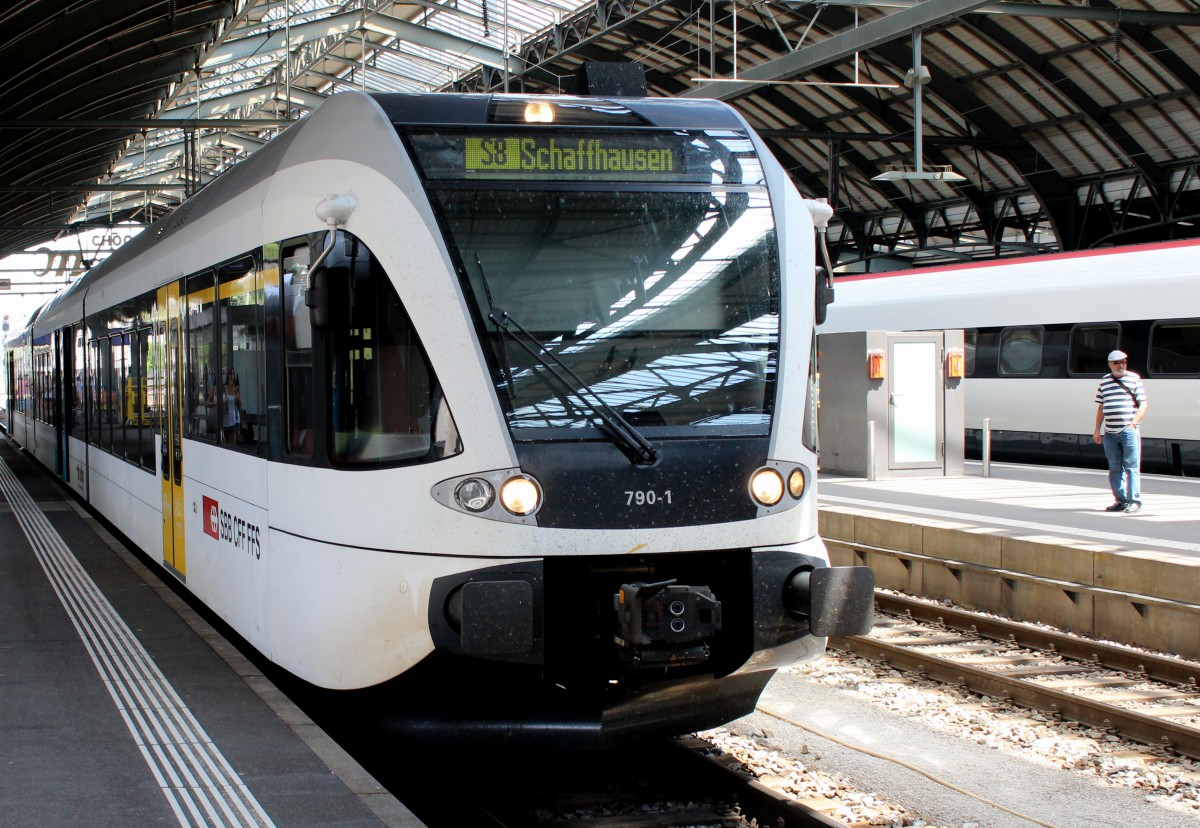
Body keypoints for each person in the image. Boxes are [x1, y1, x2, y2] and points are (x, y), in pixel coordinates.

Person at [1093, 349, 1147, 513]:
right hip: (1110, 432)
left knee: (1132, 466)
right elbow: (1101, 406)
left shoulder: (1134, 379)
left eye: (1123, 361)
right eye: (1116, 362)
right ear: (1110, 364)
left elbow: (1143, 404)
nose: (1121, 365)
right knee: (1115, 467)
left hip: (1128, 431)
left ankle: (1134, 501)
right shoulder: (1104, 382)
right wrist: (1097, 430)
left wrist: (1134, 423)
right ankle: (1121, 500)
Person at [222, 369, 241, 444]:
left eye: (233, 374)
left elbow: (240, 404)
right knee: (225, 439)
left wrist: (238, 396)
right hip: (226, 416)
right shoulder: (225, 387)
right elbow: (222, 400)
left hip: (234, 416)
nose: (231, 375)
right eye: (230, 374)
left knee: (233, 439)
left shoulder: (236, 388)